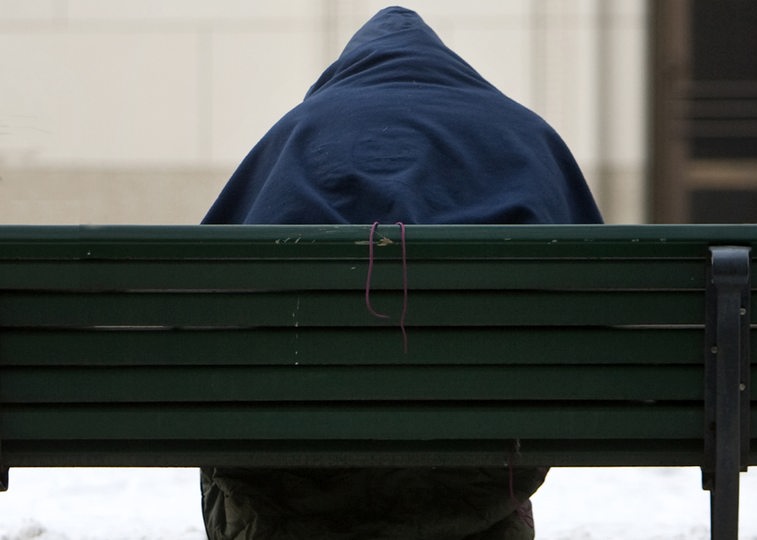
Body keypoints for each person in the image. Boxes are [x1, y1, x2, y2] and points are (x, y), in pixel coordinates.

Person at [200, 6, 603, 540]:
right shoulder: (526, 137)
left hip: (296, 478)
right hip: (475, 475)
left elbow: (209, 306)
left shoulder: (296, 137)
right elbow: (593, 306)